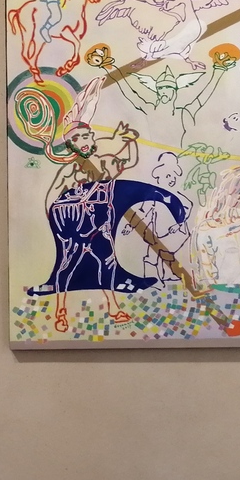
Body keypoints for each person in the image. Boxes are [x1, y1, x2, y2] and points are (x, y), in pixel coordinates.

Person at [27, 121, 186, 332]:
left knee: (107, 263)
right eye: (76, 138)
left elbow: (129, 160)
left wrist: (129, 141)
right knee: (67, 265)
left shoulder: (103, 162)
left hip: (100, 224)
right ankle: (61, 313)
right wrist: (60, 226)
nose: (82, 141)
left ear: (92, 138)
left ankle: (113, 308)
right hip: (76, 226)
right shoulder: (69, 171)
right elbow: (52, 200)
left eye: (85, 136)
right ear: (69, 144)